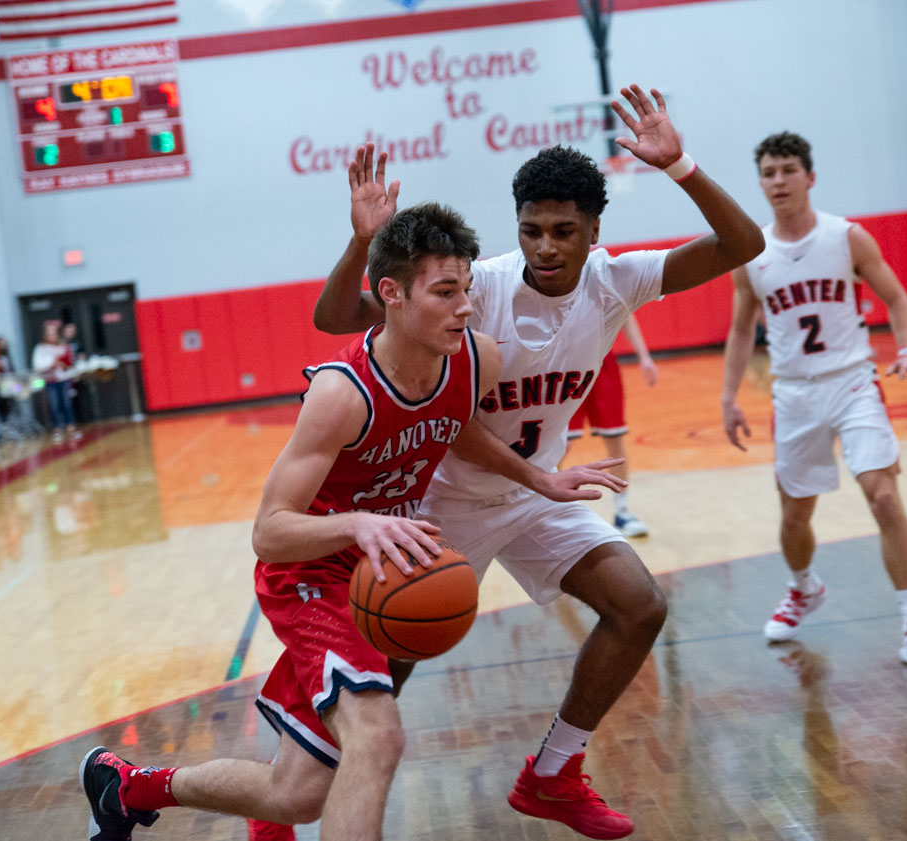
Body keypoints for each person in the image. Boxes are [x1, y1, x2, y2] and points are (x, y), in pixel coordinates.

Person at [311, 85, 764, 838]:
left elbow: (742, 244)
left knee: (639, 605)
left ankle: (553, 772)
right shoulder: (476, 290)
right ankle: (291, 792)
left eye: (563, 230)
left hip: (531, 496)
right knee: (383, 677)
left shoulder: (618, 280)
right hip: (443, 501)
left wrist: (681, 165)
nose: (545, 247)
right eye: (531, 230)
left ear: (593, 230)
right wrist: (362, 244)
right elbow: (360, 340)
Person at [82, 202, 514, 841]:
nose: (466, 307)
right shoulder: (343, 392)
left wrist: (538, 479)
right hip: (308, 571)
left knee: (297, 794)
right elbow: (269, 534)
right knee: (378, 737)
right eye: (445, 292)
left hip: (373, 572)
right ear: (390, 294)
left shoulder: (476, 359)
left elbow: (457, 427)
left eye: (467, 290)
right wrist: (357, 524)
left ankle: (131, 787)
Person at [719, 130, 907, 673]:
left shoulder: (847, 237)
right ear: (761, 182)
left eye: (787, 170)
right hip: (794, 394)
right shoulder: (751, 254)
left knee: (884, 497)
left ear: (810, 176)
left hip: (852, 381)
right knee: (795, 517)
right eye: (769, 173)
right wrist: (729, 397)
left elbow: (896, 298)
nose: (778, 181)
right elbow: (738, 334)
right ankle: (803, 587)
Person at [563, 312, 658, 537]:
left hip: (602, 361)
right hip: (565, 364)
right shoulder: (552, 279)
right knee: (558, 443)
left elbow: (626, 314)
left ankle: (622, 512)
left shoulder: (604, 281)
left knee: (615, 437)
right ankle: (551, 508)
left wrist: (644, 356)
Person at [33, 322, 79, 442]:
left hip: (63, 380)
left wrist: (64, 365)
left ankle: (71, 427)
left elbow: (69, 363)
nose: (51, 336)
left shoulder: (62, 346)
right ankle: (57, 429)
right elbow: (37, 365)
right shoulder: (41, 348)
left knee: (67, 404)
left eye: (53, 333)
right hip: (50, 381)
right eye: (49, 333)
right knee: (54, 405)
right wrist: (51, 363)